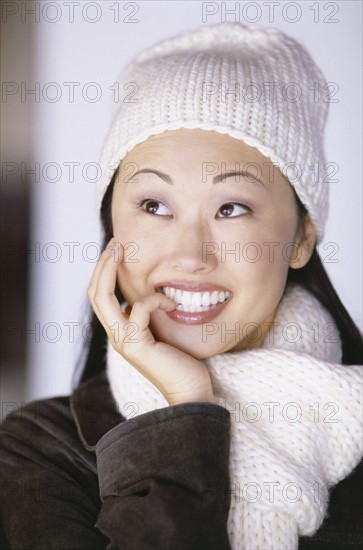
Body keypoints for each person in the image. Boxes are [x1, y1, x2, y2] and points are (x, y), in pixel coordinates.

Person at [1, 22, 362, 550]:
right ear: (112, 229)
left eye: (232, 208)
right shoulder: (37, 448)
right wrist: (186, 409)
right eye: (154, 206)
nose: (191, 256)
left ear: (302, 237)